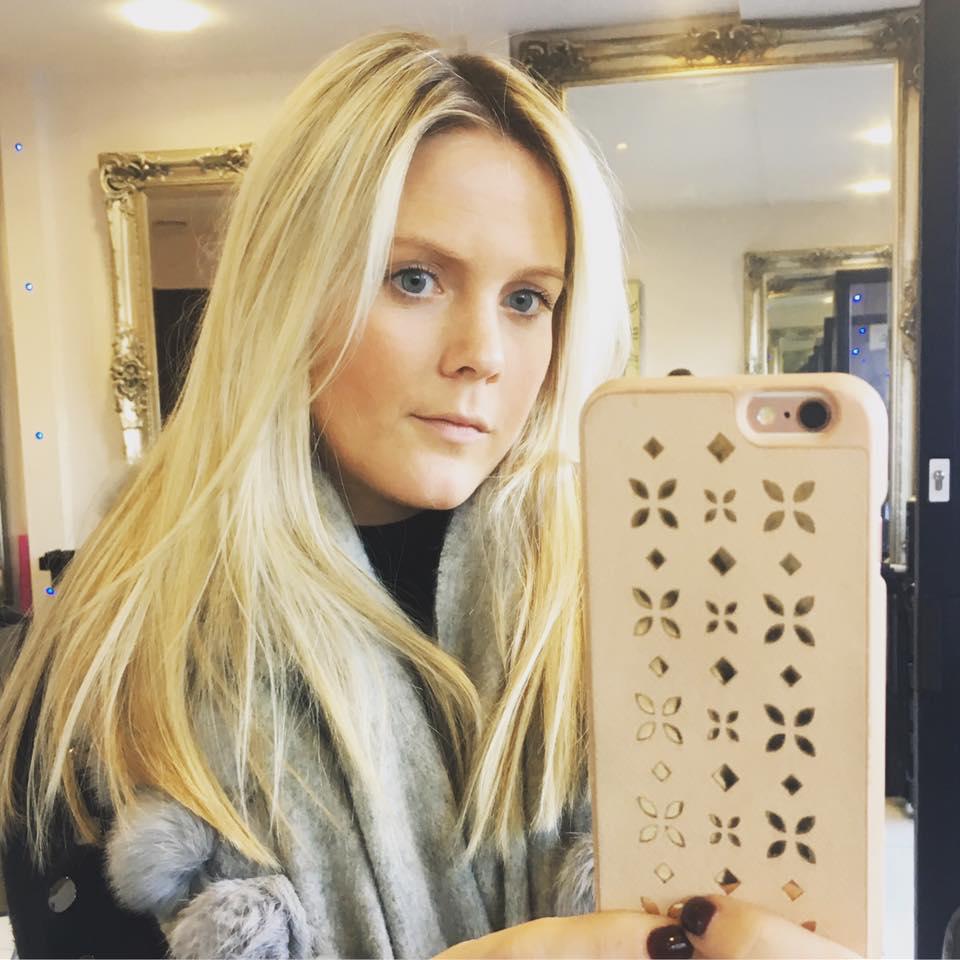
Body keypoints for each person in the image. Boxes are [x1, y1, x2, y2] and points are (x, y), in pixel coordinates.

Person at [0, 31, 854, 959]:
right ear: (286, 291)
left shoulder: (631, 612)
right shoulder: (111, 661)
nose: (482, 354)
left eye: (527, 300)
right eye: (414, 279)